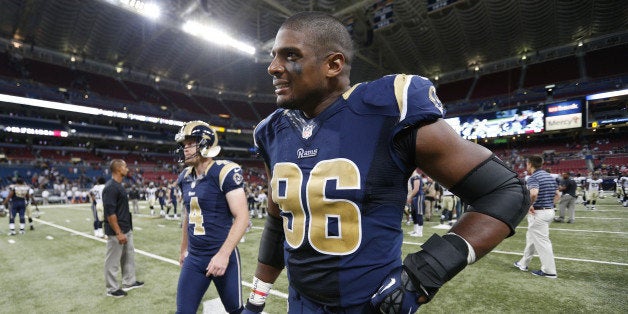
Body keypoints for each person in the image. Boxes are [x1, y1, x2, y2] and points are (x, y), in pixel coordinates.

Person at [243, 12, 529, 314]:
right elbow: (277, 223)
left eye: (290, 56)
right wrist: (257, 298)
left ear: (333, 64)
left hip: (372, 306)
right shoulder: (271, 131)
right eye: (274, 56)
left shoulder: (387, 109)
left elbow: (506, 192)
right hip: (300, 304)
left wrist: (421, 275)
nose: (273, 67)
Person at [174, 120, 249, 314]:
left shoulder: (224, 171)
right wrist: (184, 249)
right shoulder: (184, 176)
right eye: (184, 145)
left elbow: (242, 218)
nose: (185, 149)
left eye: (190, 144)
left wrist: (223, 255)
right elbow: (188, 215)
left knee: (236, 310)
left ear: (205, 143)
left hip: (222, 253)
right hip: (196, 257)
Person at [103, 159, 144, 298]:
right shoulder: (110, 187)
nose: (128, 169)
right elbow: (110, 213)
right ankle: (112, 289)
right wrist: (118, 232)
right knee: (113, 261)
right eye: (125, 166)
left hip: (126, 228)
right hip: (117, 232)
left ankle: (129, 282)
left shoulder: (119, 186)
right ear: (119, 169)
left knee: (128, 257)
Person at [514, 155, 560, 279]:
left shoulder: (533, 177)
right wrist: (550, 205)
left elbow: (534, 193)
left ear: (530, 164)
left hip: (539, 213)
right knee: (532, 238)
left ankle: (549, 271)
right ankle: (523, 263)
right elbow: (557, 195)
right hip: (549, 211)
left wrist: (530, 204)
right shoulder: (549, 176)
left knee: (542, 242)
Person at [407, 170, 424, 237]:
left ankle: (420, 232)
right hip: (414, 197)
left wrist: (410, 197)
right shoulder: (412, 177)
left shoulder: (416, 177)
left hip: (418, 197)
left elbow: (416, 189)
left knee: (419, 213)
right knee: (414, 213)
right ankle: (415, 230)